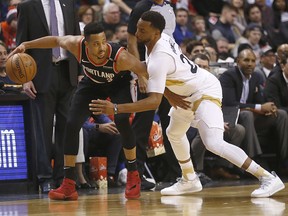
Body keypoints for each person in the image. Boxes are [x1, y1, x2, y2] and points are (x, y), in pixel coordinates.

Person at [89, 11, 285, 198]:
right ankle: (190, 179)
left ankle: (268, 178)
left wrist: (115, 108)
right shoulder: (161, 38)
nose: (137, 33)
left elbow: (153, 101)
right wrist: (170, 92)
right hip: (185, 93)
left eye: (142, 30)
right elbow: (158, 73)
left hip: (204, 90)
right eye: (138, 28)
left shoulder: (159, 56)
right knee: (174, 133)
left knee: (214, 143)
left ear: (155, 32)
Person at [10, 22, 148, 200]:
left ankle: (133, 174)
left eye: (103, 42)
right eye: (96, 44)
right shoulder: (76, 44)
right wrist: (26, 45)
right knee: (72, 123)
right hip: (91, 83)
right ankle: (68, 184)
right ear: (86, 43)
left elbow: (145, 69)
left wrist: (146, 79)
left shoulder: (120, 57)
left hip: (117, 84)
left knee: (121, 121)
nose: (101, 47)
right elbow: (55, 40)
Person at [16, 0, 81, 193]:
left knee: (66, 128)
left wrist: (80, 70)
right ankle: (44, 178)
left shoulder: (68, 5)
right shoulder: (27, 6)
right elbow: (22, 44)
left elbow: (77, 39)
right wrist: (25, 79)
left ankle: (63, 177)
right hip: (40, 75)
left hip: (67, 72)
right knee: (43, 130)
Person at [127, 0, 179, 187]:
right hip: (147, 70)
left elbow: (170, 41)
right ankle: (136, 175)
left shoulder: (170, 7)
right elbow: (131, 41)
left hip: (166, 70)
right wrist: (140, 75)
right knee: (142, 125)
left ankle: (177, 174)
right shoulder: (142, 8)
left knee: (171, 123)